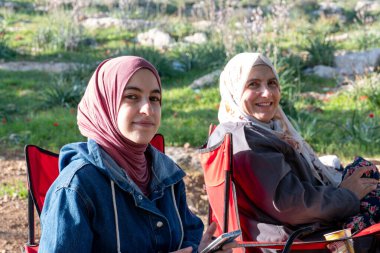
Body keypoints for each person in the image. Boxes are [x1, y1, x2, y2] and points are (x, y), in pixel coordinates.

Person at [39, 56, 236, 253]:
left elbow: (186, 239)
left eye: (154, 98)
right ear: (105, 103)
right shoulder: (76, 187)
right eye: (132, 97)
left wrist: (200, 249)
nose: (148, 109)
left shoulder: (168, 176)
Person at [206, 52, 380, 252]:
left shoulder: (249, 130)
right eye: (253, 84)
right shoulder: (247, 139)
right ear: (234, 90)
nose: (267, 93)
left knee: (365, 171)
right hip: (301, 240)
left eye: (272, 83)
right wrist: (347, 195)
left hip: (298, 228)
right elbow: (291, 204)